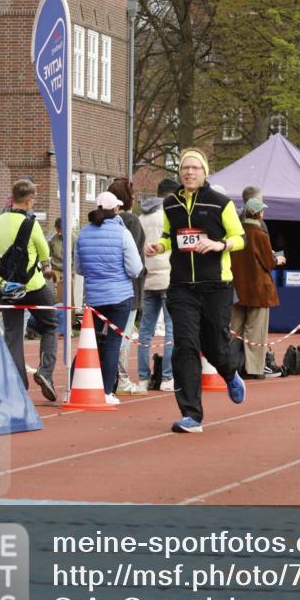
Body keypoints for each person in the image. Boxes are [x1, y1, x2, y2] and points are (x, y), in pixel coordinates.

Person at [145, 149, 246, 434]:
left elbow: (240, 237)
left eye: (194, 168)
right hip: (181, 287)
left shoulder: (220, 203)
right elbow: (168, 236)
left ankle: (229, 372)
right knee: (185, 346)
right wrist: (159, 246)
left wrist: (219, 245)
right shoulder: (171, 205)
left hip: (216, 284)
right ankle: (191, 414)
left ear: (204, 173)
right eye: (185, 168)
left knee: (214, 345)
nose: (189, 173)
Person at [75, 191, 143, 406]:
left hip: (94, 296)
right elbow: (135, 269)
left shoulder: (83, 234)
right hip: (120, 296)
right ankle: (105, 391)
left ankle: (80, 384)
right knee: (113, 343)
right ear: (116, 210)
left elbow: (79, 268)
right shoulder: (123, 234)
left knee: (90, 342)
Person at [0, 178, 58, 401]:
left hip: (7, 287)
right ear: (29, 201)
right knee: (49, 325)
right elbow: (43, 251)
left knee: (12, 334)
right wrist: (48, 268)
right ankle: (45, 372)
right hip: (32, 285)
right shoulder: (32, 224)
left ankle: (19, 384)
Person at [230, 197, 280, 378]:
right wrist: (276, 259)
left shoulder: (236, 233)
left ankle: (229, 365)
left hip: (237, 288)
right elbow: (268, 262)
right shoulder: (259, 234)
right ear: (259, 213)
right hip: (258, 290)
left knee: (233, 330)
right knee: (255, 332)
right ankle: (253, 369)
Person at [138, 177, 179, 392]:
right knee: (171, 329)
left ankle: (143, 378)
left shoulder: (142, 217)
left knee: (146, 330)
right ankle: (167, 377)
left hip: (147, 277)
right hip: (168, 277)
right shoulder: (171, 215)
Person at [108, 177, 147, 396]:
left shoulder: (99, 221)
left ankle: (111, 376)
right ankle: (120, 379)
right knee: (122, 336)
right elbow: (133, 258)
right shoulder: (130, 221)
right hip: (128, 288)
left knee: (107, 334)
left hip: (103, 288)